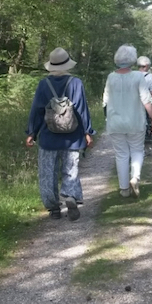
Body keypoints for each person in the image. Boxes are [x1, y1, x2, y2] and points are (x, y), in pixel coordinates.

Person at [26, 47, 95, 221]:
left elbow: (37, 110)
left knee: (47, 172)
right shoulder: (76, 83)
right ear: (67, 64)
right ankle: (70, 195)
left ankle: (53, 208)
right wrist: (88, 131)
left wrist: (31, 132)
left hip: (49, 136)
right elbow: (81, 109)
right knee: (70, 169)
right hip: (72, 136)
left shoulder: (43, 84)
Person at [103, 45, 152, 198]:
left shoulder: (111, 77)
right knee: (137, 150)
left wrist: (107, 118)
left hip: (115, 122)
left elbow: (105, 101)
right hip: (135, 121)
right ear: (133, 60)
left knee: (121, 154)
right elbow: (147, 100)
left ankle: (124, 190)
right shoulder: (138, 76)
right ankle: (135, 177)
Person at [137, 56, 152, 143]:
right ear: (146, 66)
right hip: (146, 104)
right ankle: (148, 137)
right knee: (148, 120)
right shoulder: (150, 77)